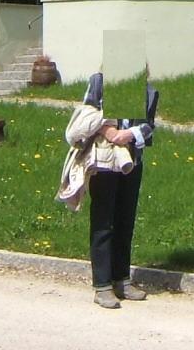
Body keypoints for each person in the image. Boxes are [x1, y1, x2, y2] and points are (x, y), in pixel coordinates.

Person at [60, 72, 159, 309]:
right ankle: (102, 285)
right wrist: (108, 131)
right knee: (103, 221)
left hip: (132, 160)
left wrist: (129, 134)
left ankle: (122, 280)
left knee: (126, 221)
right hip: (104, 162)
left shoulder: (149, 90)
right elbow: (87, 115)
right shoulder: (99, 82)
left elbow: (150, 126)